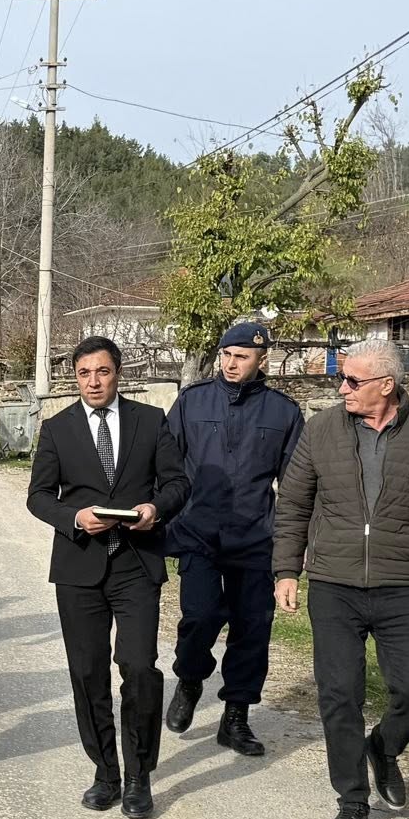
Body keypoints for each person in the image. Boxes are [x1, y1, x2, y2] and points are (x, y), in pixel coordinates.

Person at [272, 339, 409, 819]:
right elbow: (294, 505)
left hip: (404, 583)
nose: (341, 388)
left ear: (386, 386)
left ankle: (383, 749)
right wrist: (286, 570)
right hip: (334, 584)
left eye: (352, 381)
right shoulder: (321, 429)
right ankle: (351, 802)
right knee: (339, 694)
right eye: (342, 378)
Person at [26, 336, 189, 819]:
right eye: (83, 374)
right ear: (73, 377)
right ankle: (106, 770)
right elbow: (38, 496)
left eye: (102, 372)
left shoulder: (150, 421)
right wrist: (75, 518)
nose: (93, 382)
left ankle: (140, 775)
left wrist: (154, 508)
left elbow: (178, 483)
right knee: (87, 672)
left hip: (136, 563)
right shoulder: (57, 429)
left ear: (118, 373)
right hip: (80, 565)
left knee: (139, 667)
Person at [164, 320, 306, 759]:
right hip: (199, 535)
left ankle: (236, 717)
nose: (230, 363)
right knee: (199, 617)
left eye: (241, 357)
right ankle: (190, 678)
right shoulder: (192, 402)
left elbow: (297, 486)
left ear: (261, 360)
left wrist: (289, 555)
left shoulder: (284, 413)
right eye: (226, 354)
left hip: (255, 539)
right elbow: (165, 465)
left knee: (252, 629)